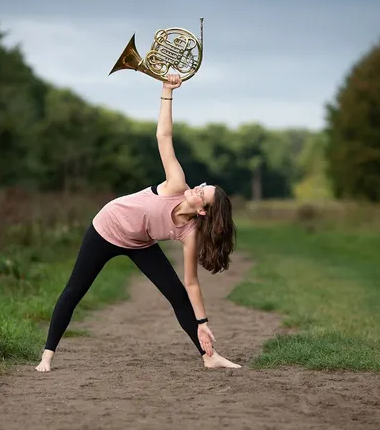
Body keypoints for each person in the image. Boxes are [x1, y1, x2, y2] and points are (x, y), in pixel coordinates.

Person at [35, 74, 241, 372]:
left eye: (202, 194)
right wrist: (167, 91)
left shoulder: (190, 232)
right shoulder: (176, 183)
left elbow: (192, 283)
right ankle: (47, 355)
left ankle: (209, 356)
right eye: (202, 186)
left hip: (139, 243)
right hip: (106, 227)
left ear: (203, 212)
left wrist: (203, 322)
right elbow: (164, 137)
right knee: (75, 290)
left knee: (177, 295)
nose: (197, 188)